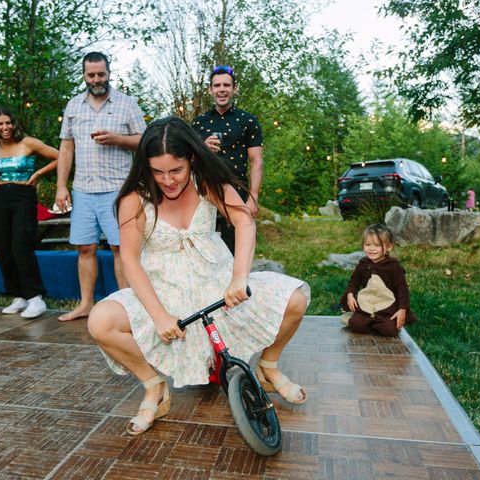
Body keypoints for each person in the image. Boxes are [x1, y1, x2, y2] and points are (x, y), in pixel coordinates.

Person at [87, 117, 310, 436]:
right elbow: (131, 261)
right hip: (162, 291)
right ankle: (154, 387)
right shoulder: (134, 198)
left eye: (176, 170)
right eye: (157, 171)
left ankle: (268, 367)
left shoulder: (207, 180)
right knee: (100, 322)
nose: (168, 180)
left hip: (215, 282)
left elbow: (244, 222)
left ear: (191, 158)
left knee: (296, 300)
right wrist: (159, 315)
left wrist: (239, 277)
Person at [55, 51, 147, 322]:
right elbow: (66, 147)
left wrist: (118, 139)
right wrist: (62, 185)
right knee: (85, 248)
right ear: (84, 75)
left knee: (121, 249)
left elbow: (144, 140)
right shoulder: (73, 106)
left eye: (101, 74)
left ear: (109, 73)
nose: (96, 79)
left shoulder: (126, 103)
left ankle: (128, 308)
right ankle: (85, 304)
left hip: (118, 189)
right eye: (91, 75)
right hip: (83, 189)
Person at [0, 107, 58, 318]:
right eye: (0, 124)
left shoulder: (28, 142)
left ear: (14, 123)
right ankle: (19, 296)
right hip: (1, 196)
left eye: (8, 123)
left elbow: (59, 156)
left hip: (23, 196)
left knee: (20, 245)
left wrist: (37, 173)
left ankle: (35, 298)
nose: (5, 128)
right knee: (3, 246)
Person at [193, 65, 263, 253]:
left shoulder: (248, 121)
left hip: (237, 188)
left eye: (226, 85)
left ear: (234, 89)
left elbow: (256, 161)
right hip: (205, 191)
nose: (222, 89)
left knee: (236, 245)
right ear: (210, 90)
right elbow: (187, 160)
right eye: (217, 85)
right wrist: (202, 148)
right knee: (204, 244)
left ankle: (238, 281)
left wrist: (253, 197)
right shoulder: (199, 122)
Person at [339, 224, 417, 337]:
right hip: (367, 304)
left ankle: (378, 322)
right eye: (367, 244)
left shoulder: (394, 267)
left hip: (386, 308)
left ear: (389, 247)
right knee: (357, 326)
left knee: (389, 331)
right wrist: (350, 294)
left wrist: (402, 310)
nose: (371, 248)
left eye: (377, 245)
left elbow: (402, 290)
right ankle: (362, 319)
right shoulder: (363, 264)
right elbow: (354, 282)